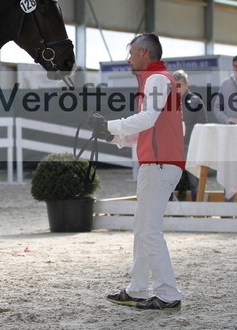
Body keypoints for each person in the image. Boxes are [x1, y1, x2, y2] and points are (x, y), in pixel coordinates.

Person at [88, 33, 183, 311]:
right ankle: (138, 289)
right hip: (157, 163)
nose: (128, 59)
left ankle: (168, 294)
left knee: (149, 231)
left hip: (159, 164)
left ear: (143, 52)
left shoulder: (157, 79)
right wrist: (111, 135)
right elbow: (145, 130)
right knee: (143, 229)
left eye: (131, 53)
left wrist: (110, 125)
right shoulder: (156, 80)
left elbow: (146, 119)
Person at [173, 69, 207, 201]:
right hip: (174, 148)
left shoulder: (195, 101)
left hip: (192, 148)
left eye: (180, 85)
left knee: (194, 182)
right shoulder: (168, 102)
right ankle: (175, 210)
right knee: (173, 181)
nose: (177, 89)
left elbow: (203, 124)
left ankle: (197, 208)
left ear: (187, 84)